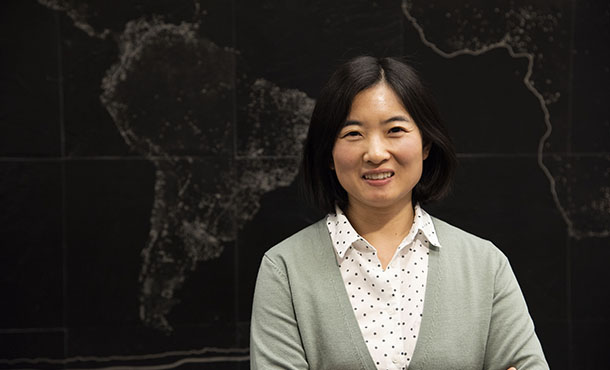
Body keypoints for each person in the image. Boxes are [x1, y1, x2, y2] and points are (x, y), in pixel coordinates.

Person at [250, 56, 548, 370]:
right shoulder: (284, 270)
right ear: (328, 153)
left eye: (395, 130)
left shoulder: (485, 265)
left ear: (426, 145)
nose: (376, 153)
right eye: (353, 134)